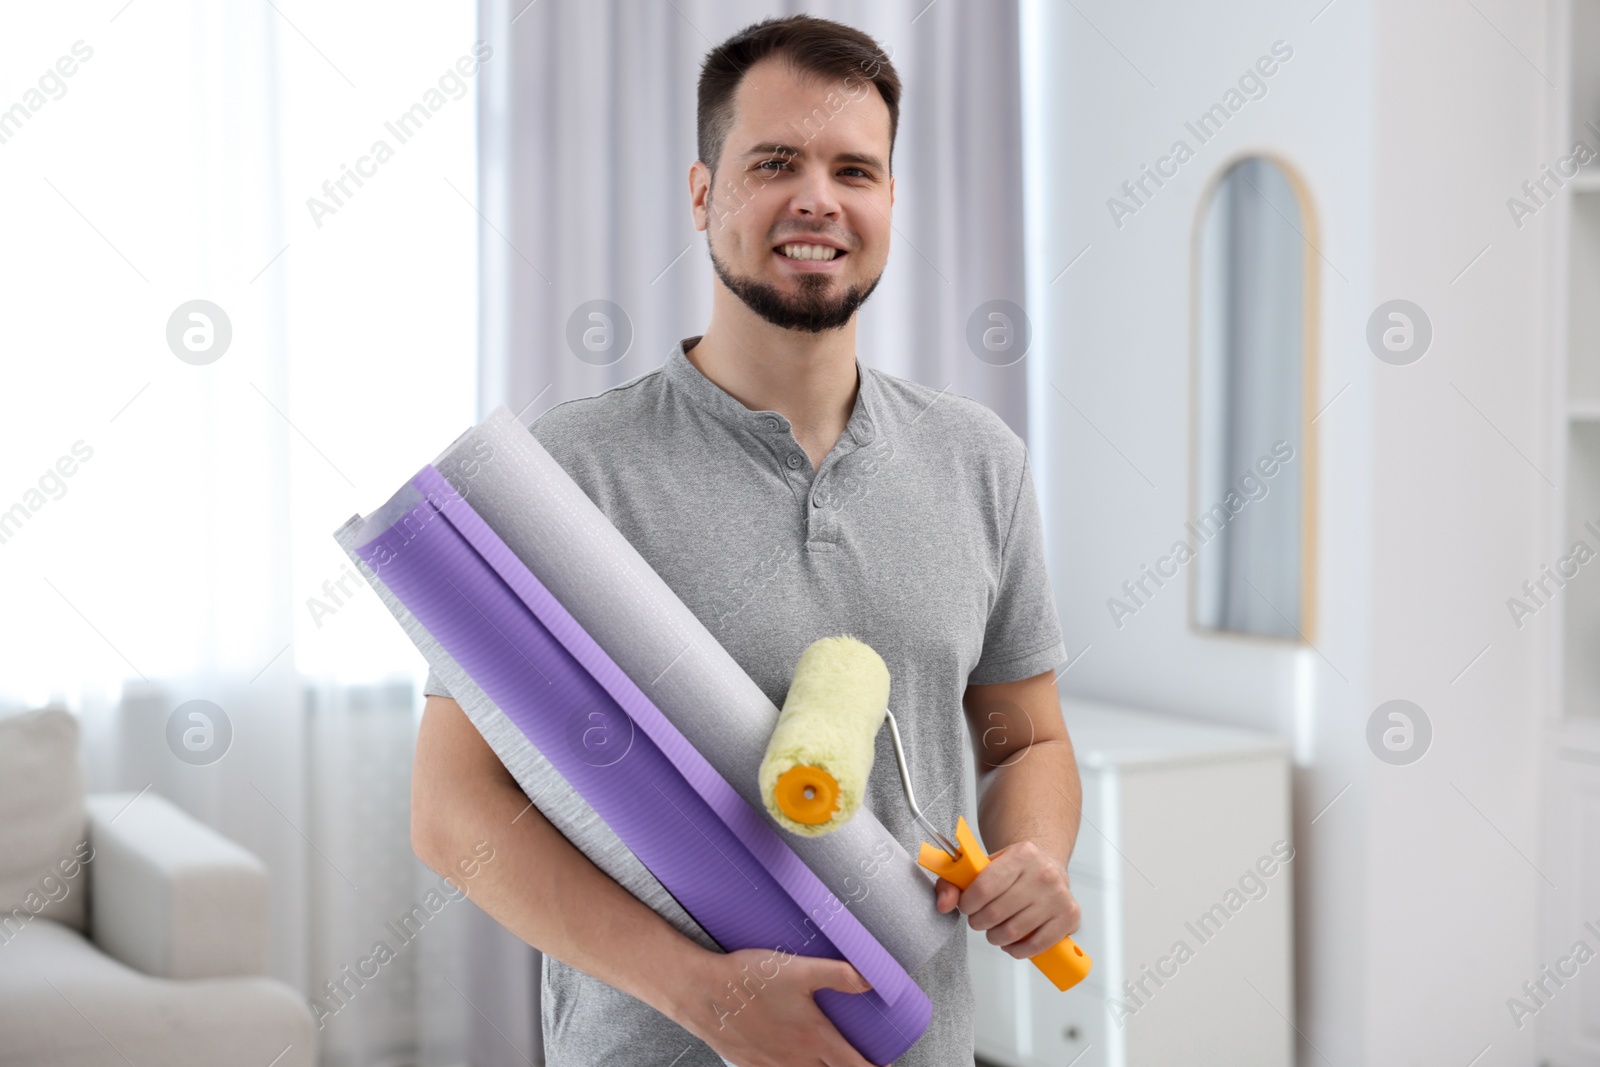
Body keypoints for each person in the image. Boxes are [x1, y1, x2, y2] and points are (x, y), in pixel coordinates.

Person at [410, 14, 1083, 1066]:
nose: (818, 196)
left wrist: (1035, 850)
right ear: (702, 192)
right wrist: (704, 995)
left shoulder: (979, 460)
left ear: (890, 202)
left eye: (854, 168)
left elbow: (1026, 737)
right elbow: (455, 812)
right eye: (775, 162)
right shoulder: (570, 469)